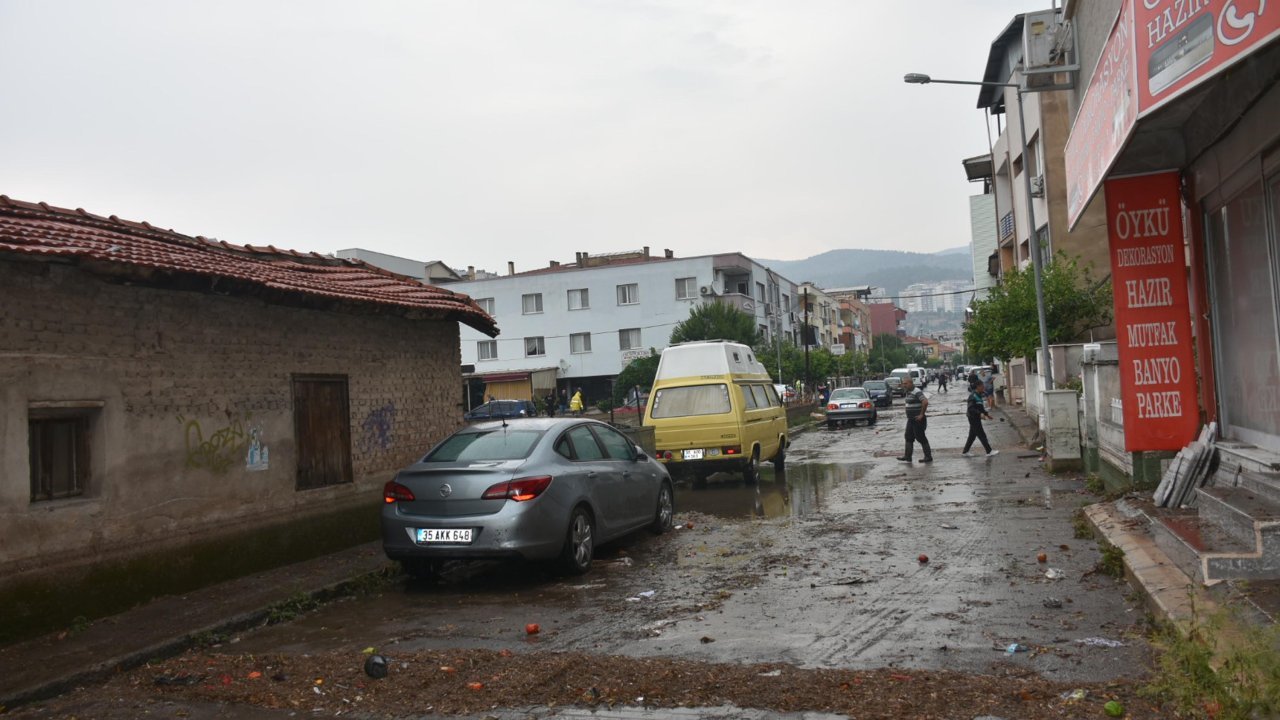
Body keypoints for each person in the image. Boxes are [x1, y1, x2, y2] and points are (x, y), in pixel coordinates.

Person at [896, 378, 933, 464]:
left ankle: (928, 456)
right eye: (903, 384)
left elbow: (925, 402)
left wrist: (921, 415)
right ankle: (908, 456)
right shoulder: (908, 391)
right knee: (908, 437)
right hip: (911, 419)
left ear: (911, 383)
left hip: (918, 420)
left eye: (906, 383)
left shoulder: (917, 391)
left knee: (920, 437)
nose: (904, 385)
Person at [961, 380, 998, 457]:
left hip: (976, 417)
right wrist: (979, 413)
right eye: (982, 386)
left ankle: (965, 452)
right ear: (978, 386)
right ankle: (989, 451)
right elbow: (971, 408)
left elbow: (980, 407)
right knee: (981, 434)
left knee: (972, 435)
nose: (983, 388)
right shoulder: (973, 396)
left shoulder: (979, 395)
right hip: (973, 418)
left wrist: (987, 414)